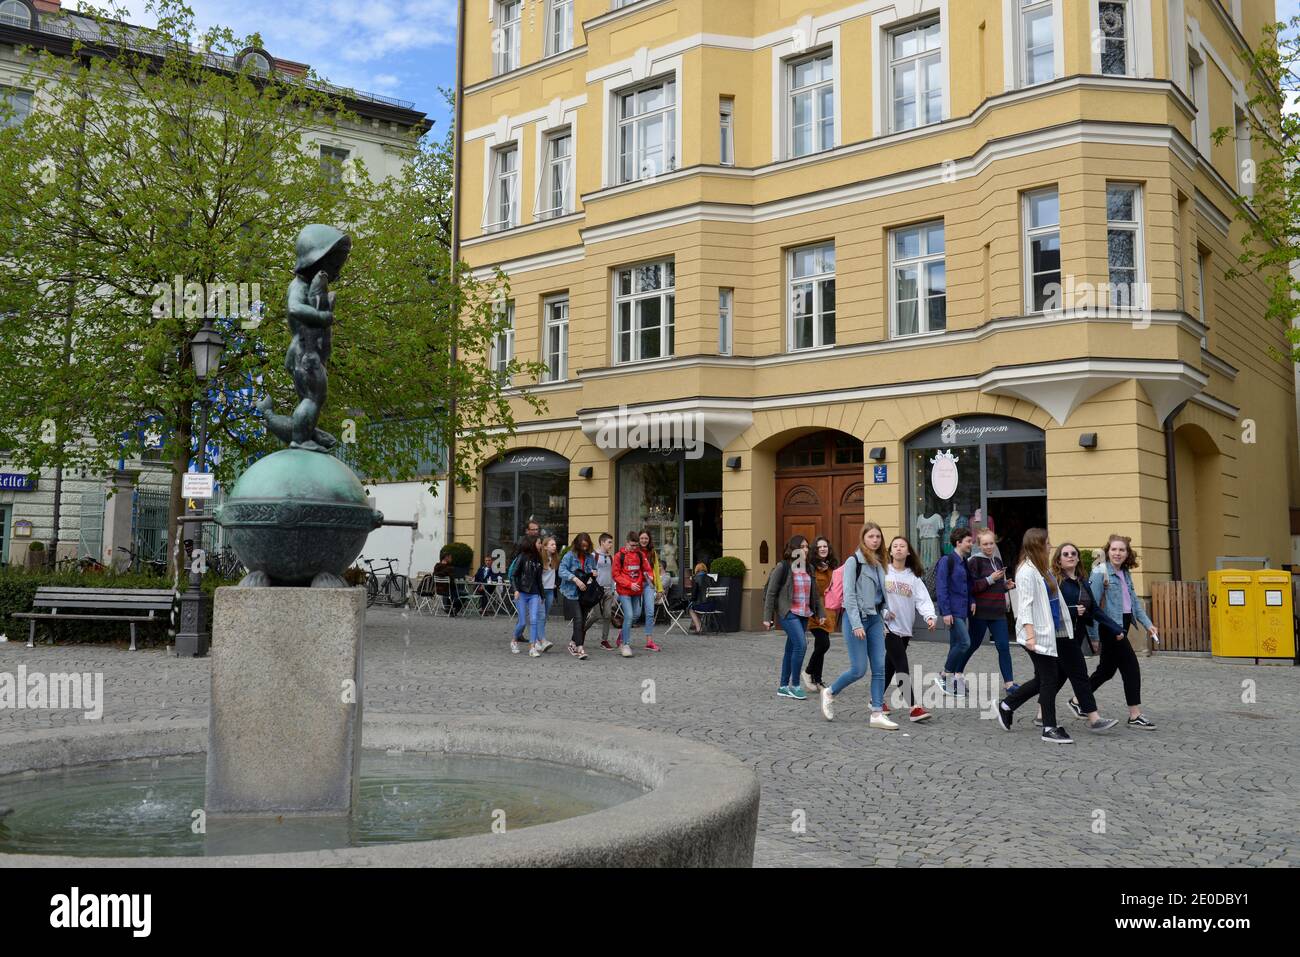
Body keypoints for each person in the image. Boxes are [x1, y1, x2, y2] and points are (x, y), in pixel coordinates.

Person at [995, 529, 1120, 741]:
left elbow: (1055, 603)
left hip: (1050, 633)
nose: (1050, 546)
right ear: (1037, 546)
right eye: (1047, 543)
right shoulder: (1026, 571)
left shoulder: (1042, 569)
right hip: (1036, 635)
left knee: (1044, 679)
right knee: (1050, 679)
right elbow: (1024, 606)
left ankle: (1007, 705)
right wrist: (1031, 637)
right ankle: (1048, 727)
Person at [1029, 542, 1121, 732]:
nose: (1070, 556)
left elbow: (1093, 609)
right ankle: (1094, 718)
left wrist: (1115, 628)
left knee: (1058, 677)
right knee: (1080, 676)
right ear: (1059, 560)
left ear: (1078, 558)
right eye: (1065, 554)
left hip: (1076, 636)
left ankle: (1037, 712)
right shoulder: (1056, 581)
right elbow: (1048, 609)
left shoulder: (1082, 581)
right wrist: (1072, 611)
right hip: (1061, 636)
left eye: (1073, 553)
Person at [1071, 534, 1159, 730]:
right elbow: (1092, 607)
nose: (1117, 553)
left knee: (1106, 670)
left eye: (1121, 550)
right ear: (1107, 551)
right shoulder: (1100, 572)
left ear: (1127, 553)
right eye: (1114, 550)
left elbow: (1134, 602)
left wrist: (1148, 623)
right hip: (1111, 627)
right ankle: (1135, 714)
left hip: (1124, 623)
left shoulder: (1124, 572)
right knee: (1131, 667)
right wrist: (1094, 637)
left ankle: (1078, 700)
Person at [820, 522, 896, 730]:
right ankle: (830, 692)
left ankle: (877, 713)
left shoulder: (880, 561)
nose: (875, 540)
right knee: (859, 669)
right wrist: (855, 624)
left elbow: (880, 595)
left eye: (878, 537)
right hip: (856, 620)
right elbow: (850, 596)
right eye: (871, 536)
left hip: (874, 620)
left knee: (879, 667)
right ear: (863, 538)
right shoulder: (854, 561)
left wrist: (886, 611)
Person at [882, 536, 937, 722]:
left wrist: (930, 616)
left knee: (889, 666)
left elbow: (923, 600)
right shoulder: (883, 572)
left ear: (907, 552)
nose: (898, 549)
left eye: (902, 546)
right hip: (887, 628)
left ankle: (876, 699)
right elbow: (874, 598)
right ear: (890, 551)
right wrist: (883, 613)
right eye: (895, 546)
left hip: (905, 629)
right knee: (901, 667)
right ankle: (914, 707)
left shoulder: (913, 577)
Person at [764, 535, 824, 700]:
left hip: (803, 612)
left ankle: (783, 686)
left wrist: (821, 613)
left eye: (807, 546)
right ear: (794, 548)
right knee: (801, 644)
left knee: (791, 649)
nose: (805, 549)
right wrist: (767, 617)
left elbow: (815, 594)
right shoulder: (783, 567)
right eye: (802, 546)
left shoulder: (809, 568)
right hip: (788, 612)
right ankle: (796, 685)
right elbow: (771, 592)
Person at [957, 529, 1017, 693]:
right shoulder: (974, 561)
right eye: (985, 544)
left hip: (998, 611)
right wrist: (992, 579)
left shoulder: (997, 560)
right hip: (980, 611)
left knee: (1004, 646)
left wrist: (1005, 586)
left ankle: (1009, 684)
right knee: (972, 645)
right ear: (979, 545)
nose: (989, 546)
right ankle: (955, 674)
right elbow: (972, 587)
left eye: (991, 543)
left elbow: (996, 586)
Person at [933, 527, 975, 697]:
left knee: (955, 645)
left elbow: (968, 584)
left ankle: (950, 684)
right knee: (965, 642)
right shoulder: (946, 561)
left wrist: (972, 601)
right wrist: (946, 612)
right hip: (952, 611)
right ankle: (944, 674)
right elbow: (941, 587)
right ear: (958, 543)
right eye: (968, 541)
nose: (971, 544)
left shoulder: (964, 561)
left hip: (963, 609)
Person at [801, 537, 838, 693]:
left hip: (829, 610)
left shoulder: (832, 567)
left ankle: (817, 679)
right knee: (824, 644)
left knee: (820, 645)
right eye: (819, 547)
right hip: (816, 609)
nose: (823, 549)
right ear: (815, 550)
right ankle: (808, 671)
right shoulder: (811, 567)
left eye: (825, 546)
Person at [558, 533, 597, 660]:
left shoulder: (590, 557)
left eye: (587, 546)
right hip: (571, 592)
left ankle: (573, 643)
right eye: (582, 546)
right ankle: (580, 648)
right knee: (579, 618)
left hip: (585, 593)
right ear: (578, 544)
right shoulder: (569, 556)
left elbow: (593, 570)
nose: (584, 549)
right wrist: (575, 579)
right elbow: (561, 571)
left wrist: (594, 573)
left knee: (582, 621)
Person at [509, 535, 548, 657]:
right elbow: (514, 575)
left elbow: (539, 580)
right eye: (539, 543)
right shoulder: (522, 557)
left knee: (534, 619)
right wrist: (515, 590)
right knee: (522, 622)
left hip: (534, 594)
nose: (540, 545)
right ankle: (514, 640)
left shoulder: (538, 560)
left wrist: (542, 595)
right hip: (521, 593)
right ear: (532, 544)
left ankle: (532, 647)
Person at [612, 532, 649, 658]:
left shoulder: (640, 554)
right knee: (629, 615)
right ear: (627, 543)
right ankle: (625, 644)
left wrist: (648, 578)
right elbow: (615, 575)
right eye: (632, 545)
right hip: (624, 591)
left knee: (636, 615)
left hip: (637, 590)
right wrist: (629, 584)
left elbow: (646, 569)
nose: (635, 548)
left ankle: (623, 633)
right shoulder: (619, 556)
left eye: (636, 545)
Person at [585, 533, 619, 649]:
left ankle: (604, 640)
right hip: (596, 591)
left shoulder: (610, 557)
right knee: (596, 615)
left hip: (608, 590)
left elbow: (613, 574)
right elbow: (588, 571)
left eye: (611, 542)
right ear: (602, 542)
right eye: (609, 542)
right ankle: (581, 631)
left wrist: (614, 589)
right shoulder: (593, 556)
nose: (611, 545)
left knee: (608, 615)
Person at [636, 529, 664, 652]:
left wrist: (659, 588)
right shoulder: (634, 551)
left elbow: (656, 572)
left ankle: (649, 641)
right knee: (635, 614)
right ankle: (623, 635)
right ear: (638, 539)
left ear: (649, 540)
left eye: (646, 538)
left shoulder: (653, 553)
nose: (644, 540)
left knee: (650, 613)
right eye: (642, 538)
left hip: (648, 585)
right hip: (636, 585)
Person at [432, 551, 462, 616]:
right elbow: (451, 582)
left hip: (438, 591)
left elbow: (434, 575)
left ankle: (450, 610)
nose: (451, 559)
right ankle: (451, 609)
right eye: (450, 557)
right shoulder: (449, 568)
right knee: (465, 595)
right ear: (446, 558)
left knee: (458, 594)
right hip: (448, 591)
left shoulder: (436, 566)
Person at [688, 562, 715, 634]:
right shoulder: (711, 578)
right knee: (697, 606)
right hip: (712, 606)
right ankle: (695, 624)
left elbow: (694, 596)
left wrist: (690, 600)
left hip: (702, 605)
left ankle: (698, 628)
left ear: (696, 570)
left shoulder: (695, 578)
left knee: (691, 609)